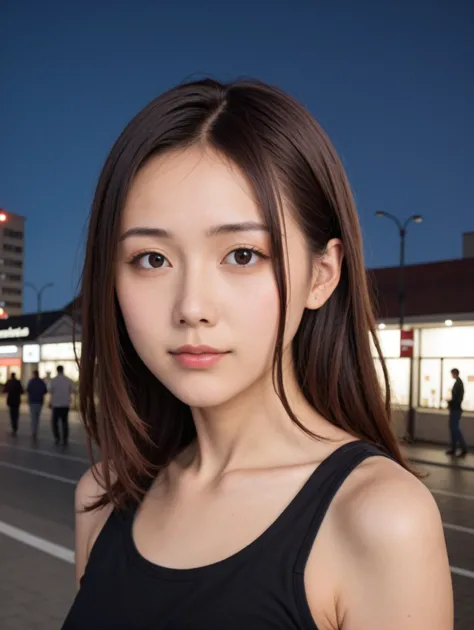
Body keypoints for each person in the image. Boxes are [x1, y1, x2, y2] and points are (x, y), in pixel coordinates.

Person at [63, 79, 453, 630]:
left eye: (242, 254)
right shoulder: (102, 499)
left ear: (322, 275)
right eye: (151, 259)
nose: (192, 306)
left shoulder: (378, 518)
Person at [50, 365, 74, 446]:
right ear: (63, 370)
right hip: (65, 404)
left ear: (57, 370)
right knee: (65, 422)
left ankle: (57, 437)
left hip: (56, 404)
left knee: (55, 422)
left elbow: (50, 391)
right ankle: (65, 439)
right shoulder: (68, 380)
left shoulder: (53, 380)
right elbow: (72, 390)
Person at [446, 368, 467, 457]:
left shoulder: (458, 384)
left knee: (455, 429)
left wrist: (449, 403)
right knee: (454, 429)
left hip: (455, 409)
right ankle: (454, 448)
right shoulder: (458, 383)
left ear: (454, 373)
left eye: (452, 373)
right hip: (455, 409)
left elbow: (457, 398)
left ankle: (463, 448)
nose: (451, 375)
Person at [26, 370, 48, 444]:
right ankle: (35, 430)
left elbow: (28, 390)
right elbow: (45, 391)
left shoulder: (31, 382)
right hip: (39, 401)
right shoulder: (41, 382)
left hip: (32, 401)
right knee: (37, 417)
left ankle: (33, 431)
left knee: (33, 417)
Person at [3, 372, 24, 437]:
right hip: (17, 401)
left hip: (11, 401)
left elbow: (4, 390)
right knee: (16, 414)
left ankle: (13, 426)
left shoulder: (9, 382)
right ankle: (15, 426)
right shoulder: (18, 382)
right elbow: (21, 391)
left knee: (12, 414)